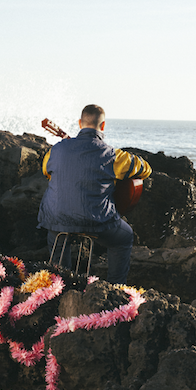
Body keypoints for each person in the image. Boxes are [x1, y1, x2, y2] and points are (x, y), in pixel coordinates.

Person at [37, 104, 152, 284]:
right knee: (124, 237)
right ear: (103, 126)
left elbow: (46, 172)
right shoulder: (113, 155)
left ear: (79, 123)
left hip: (57, 219)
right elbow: (146, 169)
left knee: (57, 237)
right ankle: (114, 289)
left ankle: (60, 287)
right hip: (96, 220)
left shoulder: (55, 150)